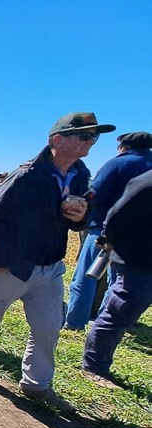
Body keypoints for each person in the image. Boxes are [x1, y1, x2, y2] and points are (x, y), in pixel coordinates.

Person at [0, 112, 116, 414]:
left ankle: (36, 384)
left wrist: (81, 218)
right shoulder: (26, 176)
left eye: (94, 136)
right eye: (84, 135)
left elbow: (83, 215)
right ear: (57, 140)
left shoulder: (79, 174)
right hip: (13, 264)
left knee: (48, 326)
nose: (91, 142)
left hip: (49, 265)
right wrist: (0, 261)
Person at [64, 132, 152, 330]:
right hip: (140, 238)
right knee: (118, 282)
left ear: (124, 147)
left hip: (104, 229)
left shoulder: (118, 164)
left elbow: (94, 193)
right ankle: (104, 322)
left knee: (85, 277)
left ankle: (75, 322)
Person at [81, 170, 152, 388]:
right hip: (139, 260)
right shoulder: (147, 181)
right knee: (120, 312)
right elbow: (119, 213)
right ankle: (94, 366)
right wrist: (108, 238)